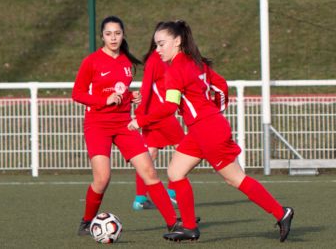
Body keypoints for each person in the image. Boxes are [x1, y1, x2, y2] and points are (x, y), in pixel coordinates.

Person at [128, 20, 294, 242]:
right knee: (175, 172)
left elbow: (168, 109)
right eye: (156, 45)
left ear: (177, 41)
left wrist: (141, 121)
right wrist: (216, 111)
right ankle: (189, 228)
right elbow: (221, 86)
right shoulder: (196, 62)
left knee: (235, 178)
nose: (157, 50)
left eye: (161, 44)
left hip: (208, 131)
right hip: (203, 129)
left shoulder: (175, 71)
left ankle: (281, 213)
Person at [71, 16, 178, 237]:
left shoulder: (128, 63)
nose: (113, 38)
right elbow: (77, 94)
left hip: (123, 124)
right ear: (102, 36)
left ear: (123, 35)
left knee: (149, 171)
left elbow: (120, 91)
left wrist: (132, 97)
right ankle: (87, 221)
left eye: (117, 33)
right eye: (109, 34)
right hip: (97, 125)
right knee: (102, 178)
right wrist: (104, 101)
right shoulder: (91, 61)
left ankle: (173, 222)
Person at [132, 33, 185, 211]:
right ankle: (172, 193)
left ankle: (140, 198)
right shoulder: (157, 60)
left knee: (149, 154)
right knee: (184, 149)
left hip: (153, 114)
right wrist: (140, 116)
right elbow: (146, 87)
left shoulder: (168, 59)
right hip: (160, 115)